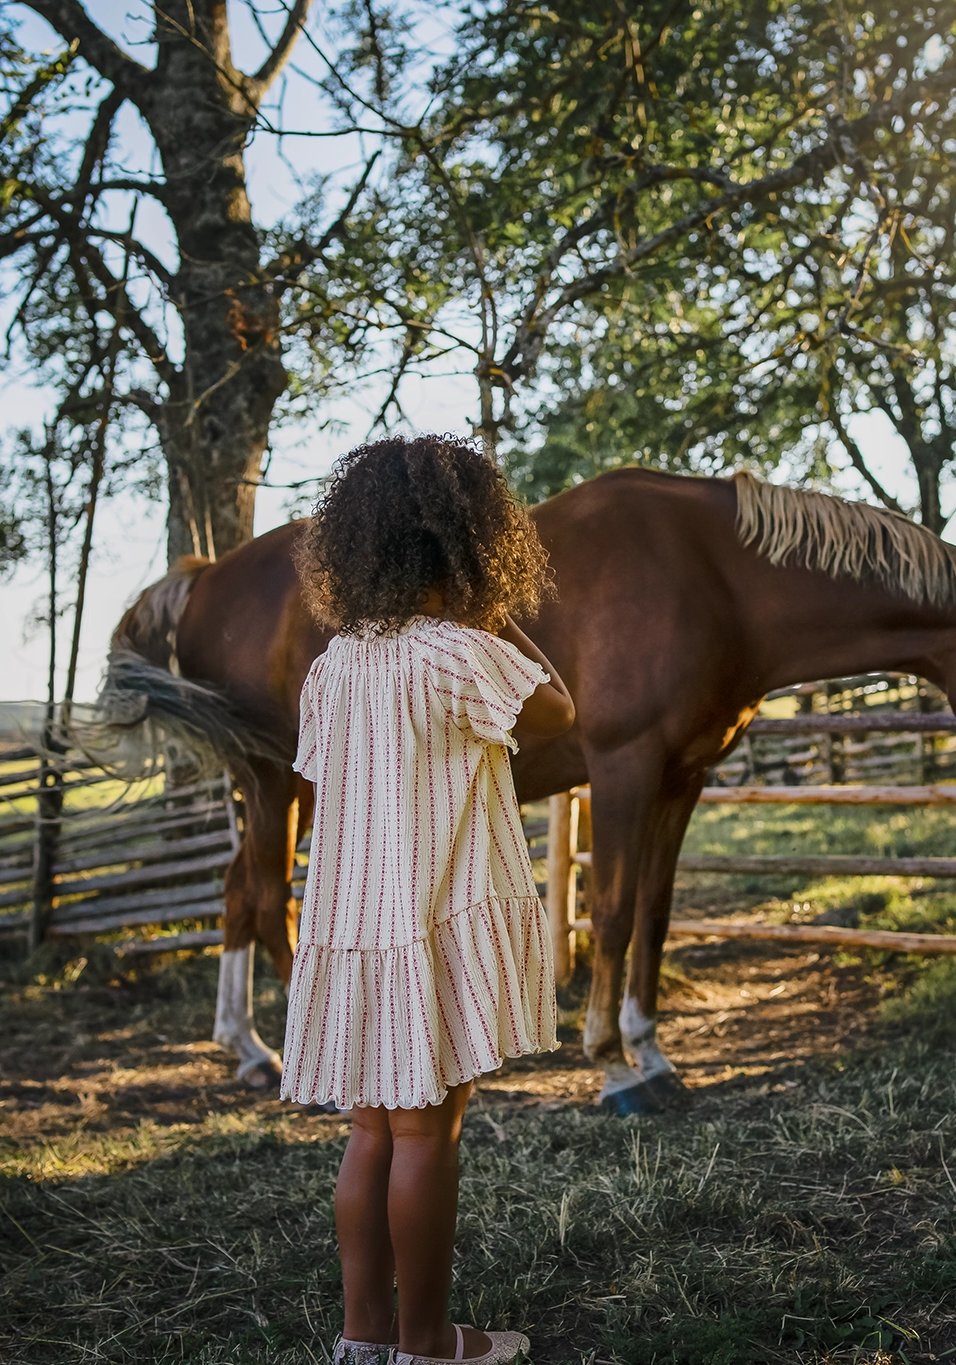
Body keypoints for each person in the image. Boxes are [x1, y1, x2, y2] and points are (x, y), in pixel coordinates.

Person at [283, 434, 576, 1365]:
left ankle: (363, 1339)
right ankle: (429, 1345)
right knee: (428, 1133)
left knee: (371, 1130)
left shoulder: (333, 666)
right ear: (466, 547)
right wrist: (494, 615)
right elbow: (561, 710)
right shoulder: (459, 653)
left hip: (352, 929)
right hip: (433, 918)